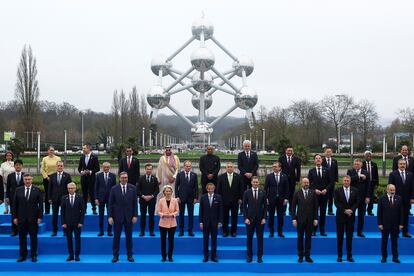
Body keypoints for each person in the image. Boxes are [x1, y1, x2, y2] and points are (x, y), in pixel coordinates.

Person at [12, 173, 43, 262]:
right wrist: (14, 217)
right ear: (23, 180)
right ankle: (22, 255)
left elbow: (41, 205)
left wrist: (40, 217)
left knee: (33, 238)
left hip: (33, 219)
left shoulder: (37, 190)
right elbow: (14, 205)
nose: (27, 181)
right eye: (26, 179)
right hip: (21, 219)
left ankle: (33, 255)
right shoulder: (18, 190)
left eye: (29, 179)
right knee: (22, 238)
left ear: (31, 180)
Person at [108, 172, 138, 263]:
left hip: (129, 217)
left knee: (129, 237)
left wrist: (135, 215)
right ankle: (115, 256)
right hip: (117, 217)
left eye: (126, 177)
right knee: (116, 237)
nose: (124, 179)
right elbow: (110, 204)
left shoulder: (132, 188)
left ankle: (129, 255)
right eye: (122, 177)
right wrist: (110, 216)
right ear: (119, 178)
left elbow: (135, 204)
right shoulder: (114, 189)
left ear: (127, 178)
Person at [291, 178, 318, 263]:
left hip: (310, 220)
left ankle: (307, 256)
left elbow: (316, 207)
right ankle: (300, 256)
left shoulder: (313, 193)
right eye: (304, 182)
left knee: (308, 238)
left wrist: (316, 218)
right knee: (300, 238)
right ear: (301, 184)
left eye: (307, 182)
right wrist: (294, 219)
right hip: (300, 220)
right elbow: (293, 207)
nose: (306, 184)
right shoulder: (297, 193)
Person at [334, 175, 359, 262]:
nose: (346, 182)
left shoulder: (355, 190)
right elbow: (336, 203)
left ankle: (349, 256)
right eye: (345, 180)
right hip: (340, 216)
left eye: (348, 180)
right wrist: (345, 210)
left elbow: (357, 202)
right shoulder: (337, 190)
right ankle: (339, 256)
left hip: (350, 217)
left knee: (349, 237)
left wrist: (351, 210)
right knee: (340, 237)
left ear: (350, 181)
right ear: (342, 181)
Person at [377, 184, 404, 263]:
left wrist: (401, 224)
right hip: (385, 225)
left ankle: (395, 257)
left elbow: (401, 212)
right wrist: (380, 223)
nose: (392, 191)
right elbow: (379, 212)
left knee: (394, 242)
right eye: (391, 190)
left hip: (396, 225)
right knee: (384, 242)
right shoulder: (382, 198)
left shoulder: (399, 198)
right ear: (387, 190)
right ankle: (384, 257)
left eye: (394, 190)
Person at [388, 158, 414, 238]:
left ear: (406, 165)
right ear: (398, 165)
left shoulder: (410, 174)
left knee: (405, 216)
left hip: (407, 200)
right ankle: (396, 233)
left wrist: (412, 198)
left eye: (404, 164)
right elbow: (390, 187)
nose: (402, 165)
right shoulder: (393, 174)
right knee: (396, 216)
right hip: (396, 199)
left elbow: (412, 187)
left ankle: (405, 232)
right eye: (401, 164)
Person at [243, 176, 266, 263]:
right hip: (249, 220)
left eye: (257, 182)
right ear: (251, 183)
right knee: (249, 238)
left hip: (260, 220)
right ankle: (249, 256)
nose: (255, 183)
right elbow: (244, 206)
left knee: (260, 239)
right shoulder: (247, 192)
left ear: (258, 183)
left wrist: (264, 218)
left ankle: (260, 257)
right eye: (254, 182)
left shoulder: (263, 192)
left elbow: (265, 207)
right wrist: (246, 218)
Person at [308, 154, 332, 236]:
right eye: (316, 158)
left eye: (319, 158)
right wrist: (314, 190)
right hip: (315, 196)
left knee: (322, 213)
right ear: (314, 161)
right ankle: (313, 230)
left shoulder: (327, 170)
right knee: (314, 213)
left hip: (324, 195)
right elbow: (309, 184)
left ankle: (322, 231)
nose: (318, 159)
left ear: (322, 160)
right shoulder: (311, 171)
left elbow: (331, 182)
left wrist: (326, 189)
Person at [216, 162, 243, 237]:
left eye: (231, 167)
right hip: (224, 201)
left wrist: (241, 198)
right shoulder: (221, 177)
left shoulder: (238, 177)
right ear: (226, 168)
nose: (230, 168)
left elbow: (241, 189)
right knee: (225, 217)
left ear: (234, 168)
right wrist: (219, 200)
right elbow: (218, 190)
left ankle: (233, 231)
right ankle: (225, 231)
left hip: (235, 201)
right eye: (228, 167)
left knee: (235, 217)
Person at [61, 182, 85, 262]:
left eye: (72, 188)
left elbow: (83, 211)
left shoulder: (80, 197)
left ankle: (77, 255)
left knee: (77, 239)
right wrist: (63, 223)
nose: (70, 190)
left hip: (77, 223)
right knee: (69, 239)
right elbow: (62, 212)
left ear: (75, 188)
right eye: (69, 188)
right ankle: (71, 255)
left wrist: (81, 222)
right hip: (67, 223)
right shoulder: (64, 198)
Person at [264, 161, 289, 237]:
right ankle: (271, 232)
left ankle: (280, 232)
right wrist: (266, 198)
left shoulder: (284, 176)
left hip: (281, 200)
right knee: (271, 216)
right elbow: (265, 188)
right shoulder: (269, 176)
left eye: (275, 166)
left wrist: (286, 198)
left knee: (280, 216)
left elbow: (287, 189)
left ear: (279, 168)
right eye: (273, 166)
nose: (274, 168)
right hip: (271, 199)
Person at [199, 182, 223, 263]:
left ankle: (214, 256)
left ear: (214, 188)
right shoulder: (203, 197)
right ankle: (205, 256)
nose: (210, 190)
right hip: (205, 222)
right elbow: (201, 211)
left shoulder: (218, 197)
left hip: (215, 223)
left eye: (212, 188)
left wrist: (220, 222)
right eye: (209, 188)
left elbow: (220, 211)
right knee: (205, 240)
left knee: (214, 240)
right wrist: (201, 222)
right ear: (206, 189)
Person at [347, 159, 370, 237]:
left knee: (361, 216)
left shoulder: (366, 172)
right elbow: (349, 180)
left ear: (361, 165)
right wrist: (358, 176)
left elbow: (368, 186)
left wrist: (367, 196)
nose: (357, 165)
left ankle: (359, 232)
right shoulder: (350, 171)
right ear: (353, 164)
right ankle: (350, 232)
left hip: (363, 198)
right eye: (355, 164)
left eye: (358, 164)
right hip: (352, 198)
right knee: (351, 216)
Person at [48, 161, 72, 236]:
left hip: (64, 199)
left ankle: (65, 231)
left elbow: (70, 188)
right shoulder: (52, 176)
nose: (60, 167)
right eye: (58, 166)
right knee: (54, 215)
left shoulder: (67, 176)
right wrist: (49, 198)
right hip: (54, 198)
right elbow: (49, 188)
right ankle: (54, 230)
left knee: (65, 215)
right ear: (56, 166)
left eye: (61, 166)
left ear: (63, 167)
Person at [175, 160, 198, 236]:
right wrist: (177, 197)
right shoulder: (179, 174)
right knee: (181, 214)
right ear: (184, 166)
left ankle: (190, 230)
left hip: (191, 198)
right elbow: (176, 187)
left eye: (189, 166)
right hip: (181, 198)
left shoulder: (194, 175)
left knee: (190, 215)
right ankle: (181, 230)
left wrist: (196, 197)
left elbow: (196, 187)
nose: (188, 167)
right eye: (187, 166)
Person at [158, 185, 179, 262]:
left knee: (171, 240)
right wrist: (162, 214)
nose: (168, 192)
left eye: (169, 191)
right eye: (166, 191)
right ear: (164, 192)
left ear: (171, 192)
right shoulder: (161, 200)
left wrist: (173, 214)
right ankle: (163, 256)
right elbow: (158, 211)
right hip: (163, 222)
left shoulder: (175, 200)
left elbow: (177, 210)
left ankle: (170, 256)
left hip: (172, 223)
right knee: (163, 240)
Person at [137, 163, 159, 236]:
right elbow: (138, 190)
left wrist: (151, 196)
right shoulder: (140, 178)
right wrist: (143, 196)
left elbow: (157, 190)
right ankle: (142, 231)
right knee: (143, 216)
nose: (149, 170)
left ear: (152, 170)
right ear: (145, 169)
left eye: (150, 169)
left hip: (152, 200)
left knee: (151, 216)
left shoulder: (155, 179)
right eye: (148, 169)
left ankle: (151, 231)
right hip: (143, 200)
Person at [94, 162, 116, 237]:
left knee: (110, 215)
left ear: (109, 167)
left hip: (110, 199)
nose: (106, 168)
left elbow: (114, 188)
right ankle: (101, 231)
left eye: (107, 167)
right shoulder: (98, 176)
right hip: (101, 199)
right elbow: (96, 188)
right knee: (101, 215)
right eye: (104, 167)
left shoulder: (113, 176)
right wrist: (96, 198)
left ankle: (109, 231)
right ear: (102, 167)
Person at [278, 146, 301, 215]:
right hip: (283, 179)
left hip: (292, 180)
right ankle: (283, 210)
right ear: (286, 151)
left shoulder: (296, 159)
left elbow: (298, 169)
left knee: (291, 195)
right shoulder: (281, 158)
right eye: (288, 150)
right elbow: (279, 169)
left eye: (291, 151)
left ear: (293, 151)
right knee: (283, 195)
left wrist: (297, 179)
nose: (290, 152)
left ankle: (291, 210)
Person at [78, 144, 100, 214]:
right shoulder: (82, 157)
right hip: (84, 179)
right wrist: (82, 172)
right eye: (83, 148)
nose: (83, 150)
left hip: (92, 179)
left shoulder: (94, 157)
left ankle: (94, 209)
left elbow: (97, 168)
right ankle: (84, 209)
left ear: (88, 149)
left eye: (84, 148)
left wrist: (90, 171)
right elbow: (79, 168)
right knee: (84, 194)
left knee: (92, 194)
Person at [6, 159, 24, 236]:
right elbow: (8, 188)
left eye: (19, 165)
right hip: (13, 198)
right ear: (14, 166)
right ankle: (14, 231)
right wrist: (7, 197)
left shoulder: (25, 175)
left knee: (22, 215)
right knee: (14, 215)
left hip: (23, 198)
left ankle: (22, 230)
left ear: (22, 166)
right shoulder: (10, 176)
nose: (18, 166)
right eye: (16, 165)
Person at [41, 146, 61, 214]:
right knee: (47, 194)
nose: (51, 151)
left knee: (56, 193)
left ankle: (57, 209)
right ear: (48, 151)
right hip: (47, 178)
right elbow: (42, 169)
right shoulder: (44, 159)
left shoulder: (58, 158)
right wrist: (46, 177)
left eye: (52, 150)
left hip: (56, 177)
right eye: (50, 150)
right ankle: (47, 210)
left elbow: (59, 167)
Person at [322, 147, 338, 216]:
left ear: (332, 153)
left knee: (331, 196)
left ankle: (330, 210)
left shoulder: (335, 161)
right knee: (324, 196)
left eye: (330, 152)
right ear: (325, 153)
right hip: (324, 181)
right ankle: (323, 210)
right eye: (327, 152)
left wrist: (336, 180)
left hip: (332, 182)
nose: (328, 153)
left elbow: (336, 171)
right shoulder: (322, 161)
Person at [362, 151, 379, 216]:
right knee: (364, 197)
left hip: (372, 184)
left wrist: (377, 184)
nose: (368, 157)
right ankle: (363, 210)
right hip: (364, 184)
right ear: (364, 156)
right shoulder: (362, 164)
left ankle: (370, 210)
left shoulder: (374, 164)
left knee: (371, 198)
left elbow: (376, 175)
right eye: (367, 155)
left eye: (370, 155)